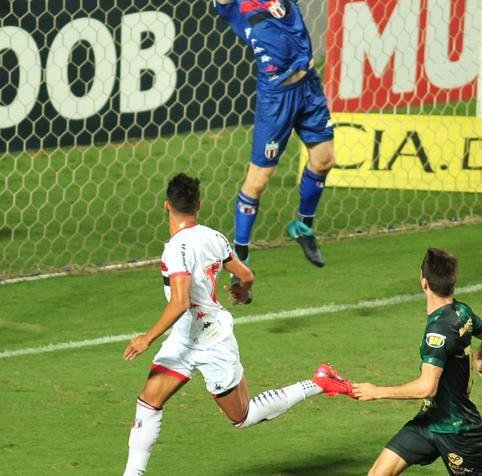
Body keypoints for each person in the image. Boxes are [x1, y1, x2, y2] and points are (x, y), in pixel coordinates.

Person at [168, 0, 335, 287]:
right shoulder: (234, 8)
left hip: (309, 85)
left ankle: (303, 223)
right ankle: (238, 257)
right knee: (257, 183)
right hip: (277, 95)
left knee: (324, 158)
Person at [121, 173, 353, 476]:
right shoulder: (214, 237)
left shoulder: (175, 249)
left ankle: (320, 382)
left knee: (243, 416)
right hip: (183, 340)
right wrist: (244, 292)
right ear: (199, 206)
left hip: (213, 342)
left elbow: (179, 303)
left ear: (167, 206)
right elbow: (246, 275)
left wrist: (146, 339)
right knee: (149, 402)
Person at [349, 248, 482, 476]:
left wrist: (376, 391)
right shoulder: (463, 311)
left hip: (459, 431)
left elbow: (426, 387)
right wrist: (480, 355)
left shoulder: (437, 333)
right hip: (429, 421)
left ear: (424, 281)